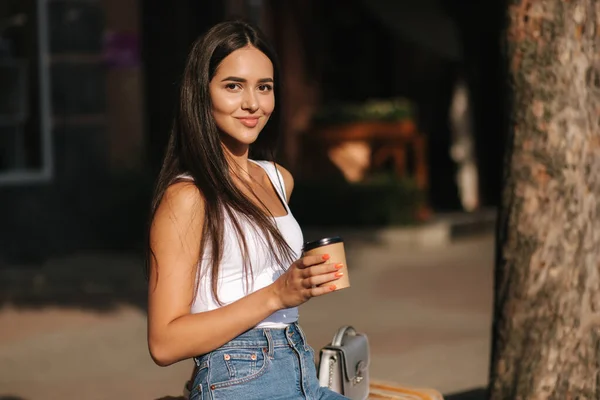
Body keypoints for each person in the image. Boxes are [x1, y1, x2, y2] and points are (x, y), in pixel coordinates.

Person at [146, 20, 348, 400]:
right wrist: (277, 294)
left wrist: (306, 279)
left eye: (264, 87)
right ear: (200, 94)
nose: (253, 103)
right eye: (233, 86)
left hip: (301, 371)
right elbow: (164, 342)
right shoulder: (189, 197)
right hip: (241, 383)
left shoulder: (278, 179)